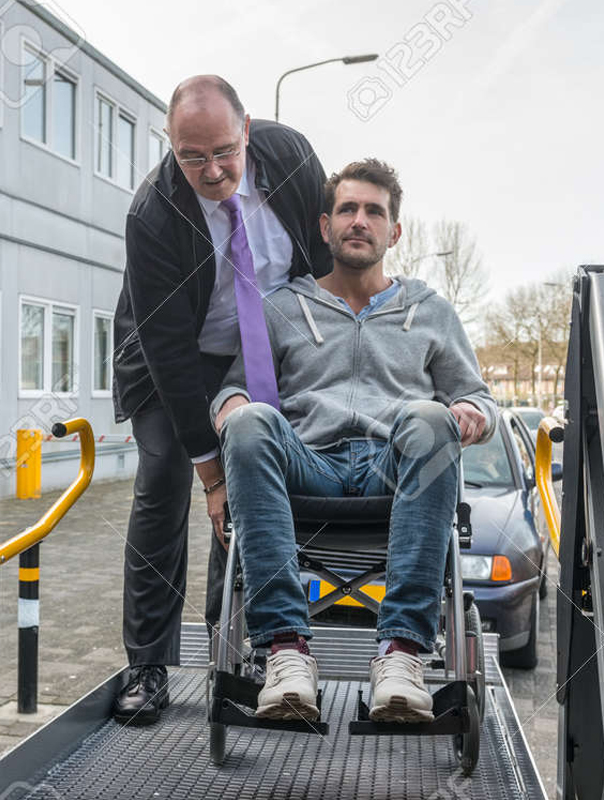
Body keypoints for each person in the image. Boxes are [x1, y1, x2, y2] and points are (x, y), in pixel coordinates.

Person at [211, 158, 498, 722]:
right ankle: (286, 652)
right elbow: (233, 389)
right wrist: (232, 407)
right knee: (249, 422)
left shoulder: (431, 312)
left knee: (429, 417)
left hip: (393, 469)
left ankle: (401, 654)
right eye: (347, 209)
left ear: (395, 231)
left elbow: (478, 399)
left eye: (374, 212)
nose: (359, 221)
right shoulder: (282, 307)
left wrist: (469, 412)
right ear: (326, 227)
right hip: (309, 465)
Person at [110, 75, 331, 724]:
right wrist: (208, 472)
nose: (212, 171)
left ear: (247, 130)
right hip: (172, 359)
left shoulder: (290, 158)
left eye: (224, 152)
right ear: (170, 146)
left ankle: (233, 652)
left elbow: (321, 267)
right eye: (192, 156)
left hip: (258, 350)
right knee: (163, 481)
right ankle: (147, 664)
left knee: (251, 484)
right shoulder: (153, 214)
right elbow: (169, 351)